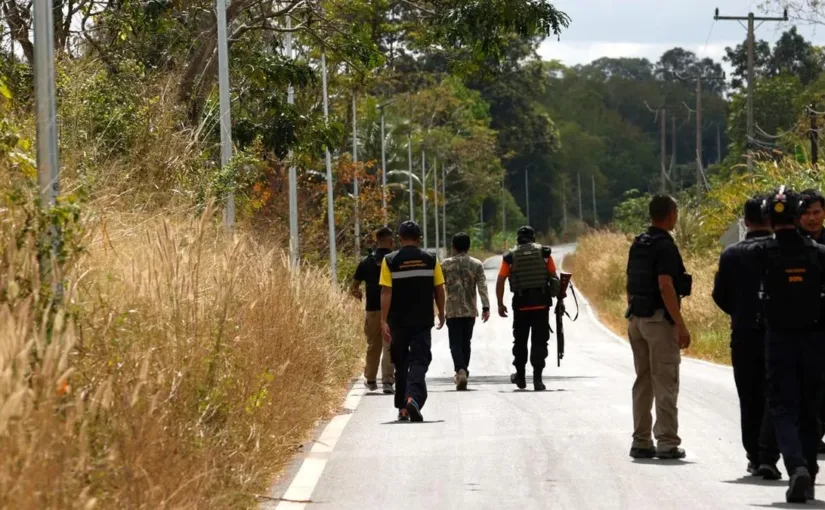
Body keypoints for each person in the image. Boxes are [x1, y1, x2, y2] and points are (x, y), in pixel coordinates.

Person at [758, 187, 825, 503]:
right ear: (798, 217)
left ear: (769, 220)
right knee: (811, 409)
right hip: (814, 340)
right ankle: (808, 471)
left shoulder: (759, 255)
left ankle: (796, 466)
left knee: (784, 408)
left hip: (779, 340)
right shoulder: (819, 254)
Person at [712, 196, 781, 479]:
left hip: (743, 334)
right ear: (770, 220)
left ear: (746, 221)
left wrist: (740, 312)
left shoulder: (731, 255)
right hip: (777, 332)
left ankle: (754, 455)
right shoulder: (780, 250)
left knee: (749, 396)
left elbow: (720, 295)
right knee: (775, 394)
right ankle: (769, 455)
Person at [625, 194, 692, 461]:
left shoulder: (639, 243)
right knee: (665, 381)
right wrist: (680, 324)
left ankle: (641, 441)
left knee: (643, 381)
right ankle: (666, 442)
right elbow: (666, 285)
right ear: (671, 214)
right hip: (658, 320)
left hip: (636, 319)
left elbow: (630, 283)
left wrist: (633, 313)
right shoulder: (665, 246)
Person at [380, 221, 446, 422]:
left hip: (398, 321)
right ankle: (413, 399)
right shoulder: (431, 259)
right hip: (422, 320)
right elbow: (439, 288)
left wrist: (383, 320)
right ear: (420, 239)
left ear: (399, 239)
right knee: (419, 361)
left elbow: (386, 292)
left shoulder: (390, 260)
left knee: (401, 364)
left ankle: (403, 408)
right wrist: (441, 311)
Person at [496, 226, 560, 392]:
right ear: (533, 238)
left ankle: (521, 376)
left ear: (518, 239)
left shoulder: (510, 256)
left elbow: (501, 280)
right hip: (541, 304)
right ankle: (537, 379)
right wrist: (560, 300)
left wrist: (500, 303)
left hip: (521, 304)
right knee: (540, 341)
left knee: (520, 341)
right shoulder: (544, 253)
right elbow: (554, 277)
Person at [441, 232, 491, 391]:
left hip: (453, 310)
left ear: (453, 247)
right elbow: (482, 286)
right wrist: (486, 307)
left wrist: (438, 309)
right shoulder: (476, 264)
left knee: (455, 343)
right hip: (470, 310)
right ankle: (463, 371)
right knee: (466, 343)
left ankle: (460, 370)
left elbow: (438, 287)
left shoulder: (445, 264)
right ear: (469, 246)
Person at [351, 227, 395, 394]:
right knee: (389, 344)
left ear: (376, 241)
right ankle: (388, 381)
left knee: (373, 345)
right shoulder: (394, 260)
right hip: (391, 309)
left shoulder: (366, 261)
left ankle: (370, 379)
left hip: (372, 309)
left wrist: (359, 294)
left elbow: (354, 286)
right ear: (391, 242)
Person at [798, 189, 825, 454]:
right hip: (796, 327)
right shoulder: (788, 244)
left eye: (816, 212)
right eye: (806, 213)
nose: (812, 218)